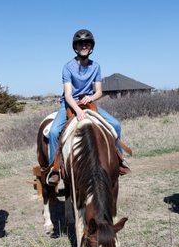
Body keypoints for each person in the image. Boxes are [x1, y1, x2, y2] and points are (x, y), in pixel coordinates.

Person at [46, 29, 129, 184]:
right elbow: (68, 94)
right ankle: (54, 168)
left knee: (116, 125)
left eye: (87, 43)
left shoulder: (96, 67)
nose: (84, 46)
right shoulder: (67, 67)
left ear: (91, 47)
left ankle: (119, 160)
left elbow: (99, 91)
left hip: (89, 103)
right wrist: (77, 111)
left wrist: (90, 97)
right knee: (53, 132)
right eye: (80, 44)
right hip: (70, 104)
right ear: (75, 47)